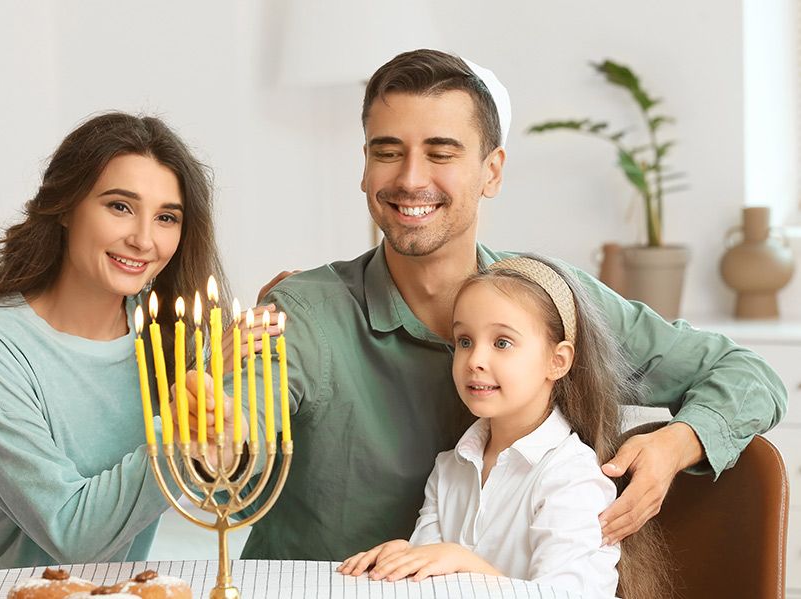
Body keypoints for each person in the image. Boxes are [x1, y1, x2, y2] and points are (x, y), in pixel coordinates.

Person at [201, 49, 785, 562]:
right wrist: (224, 428)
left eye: (441, 152)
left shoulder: (556, 300)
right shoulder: (303, 311)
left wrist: (675, 444)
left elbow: (747, 372)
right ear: (364, 166)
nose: (410, 178)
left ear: (492, 171)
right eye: (388, 151)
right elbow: (242, 424)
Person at [0, 112, 230, 577]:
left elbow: (225, 498)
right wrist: (182, 438)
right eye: (120, 206)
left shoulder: (168, 339)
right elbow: (72, 536)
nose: (142, 239)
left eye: (166, 217)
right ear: (64, 207)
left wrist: (247, 372)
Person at [337, 255, 670, 598]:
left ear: (558, 361)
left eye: (502, 343)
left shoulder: (571, 477)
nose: (475, 361)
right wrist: (401, 562)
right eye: (464, 341)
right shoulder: (450, 468)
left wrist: (464, 563)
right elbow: (428, 581)